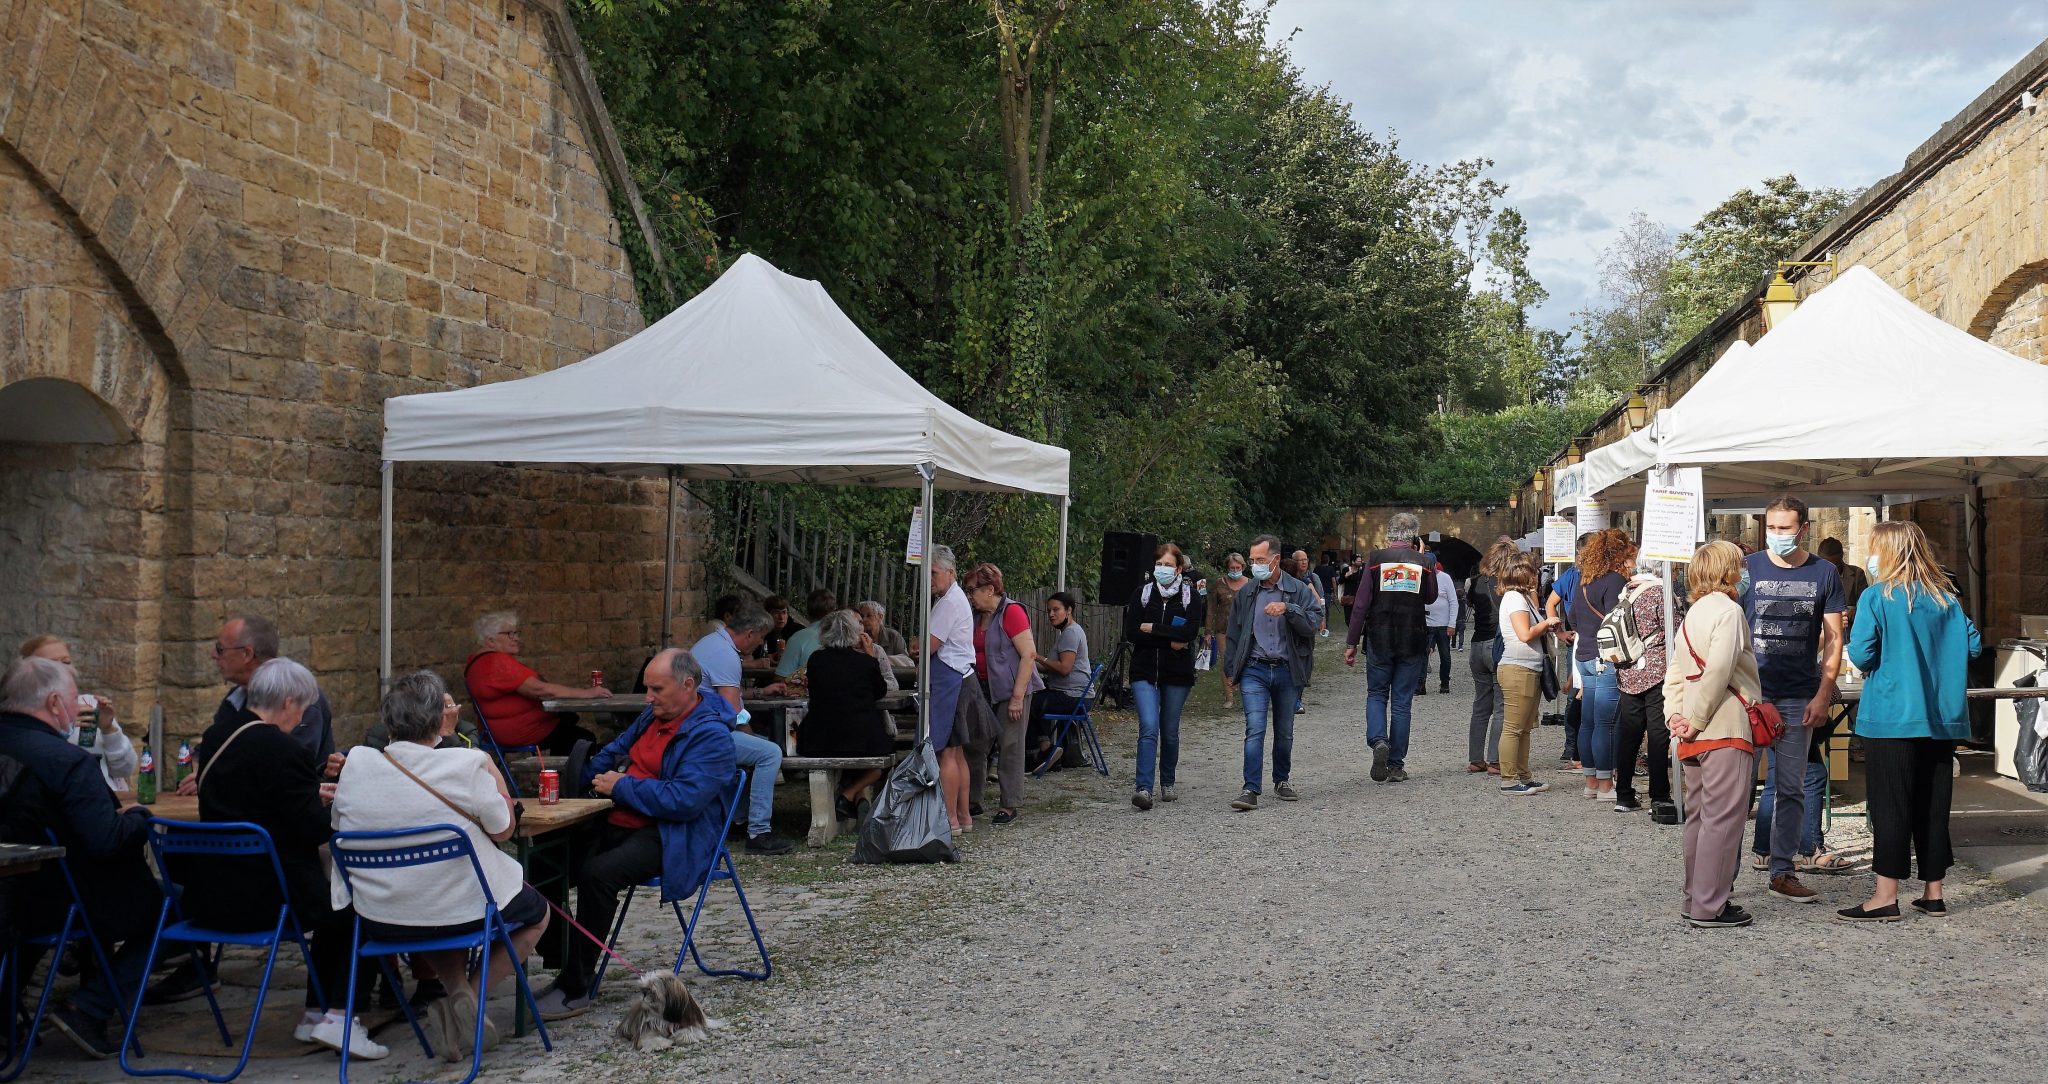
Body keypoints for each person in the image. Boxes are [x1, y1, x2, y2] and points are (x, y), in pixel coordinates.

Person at [331, 670, 550, 1059]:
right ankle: (470, 1000)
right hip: (456, 907)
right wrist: (488, 767)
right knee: (537, 914)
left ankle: (458, 994)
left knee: (428, 907)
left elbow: (338, 826)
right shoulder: (465, 764)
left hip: (381, 914)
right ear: (439, 721)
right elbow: (503, 830)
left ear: (387, 722)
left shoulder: (356, 765)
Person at [181, 657, 384, 1058]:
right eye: (304, 708)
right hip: (270, 899)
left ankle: (314, 1015)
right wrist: (329, 802)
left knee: (333, 907)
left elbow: (252, 801)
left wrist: (308, 795)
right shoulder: (282, 749)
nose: (304, 717)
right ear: (288, 702)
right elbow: (312, 829)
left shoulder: (217, 735)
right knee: (356, 907)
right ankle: (339, 1018)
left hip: (208, 895)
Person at [534, 649, 738, 1018]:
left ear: (688, 685)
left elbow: (685, 801)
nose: (648, 697)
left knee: (598, 875)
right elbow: (615, 750)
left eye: (657, 688)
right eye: (647, 688)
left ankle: (576, 984)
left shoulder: (711, 737)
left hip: (672, 833)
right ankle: (562, 956)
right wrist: (597, 777)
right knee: (543, 860)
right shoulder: (653, 714)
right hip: (619, 816)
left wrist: (622, 785)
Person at [0, 656, 160, 1058]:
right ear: (55, 703)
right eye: (74, 699)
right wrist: (139, 818)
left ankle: (6, 1013)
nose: (77, 708)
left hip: (17, 892)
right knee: (173, 904)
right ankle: (89, 1009)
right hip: (60, 895)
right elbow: (105, 839)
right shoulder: (66, 760)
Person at [1837, 521, 1983, 922]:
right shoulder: (1946, 598)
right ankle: (1933, 892)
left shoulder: (1877, 597)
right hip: (1942, 717)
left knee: (1891, 804)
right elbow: (1972, 645)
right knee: (1934, 804)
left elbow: (1863, 655)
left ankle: (1885, 895)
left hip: (1892, 716)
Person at [1741, 496, 1846, 905]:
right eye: (1771, 527)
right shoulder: (1747, 569)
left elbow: (1835, 639)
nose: (1777, 535)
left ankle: (1782, 870)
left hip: (1798, 695)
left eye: (1785, 528)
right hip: (1750, 696)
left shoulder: (1825, 573)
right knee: (1737, 789)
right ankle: (1724, 873)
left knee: (1792, 789)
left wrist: (1823, 694)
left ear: (1804, 528)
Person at [1667, 540, 1763, 928]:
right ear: (1730, 571)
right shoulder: (1730, 611)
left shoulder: (1692, 614)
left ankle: (1696, 897)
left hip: (1692, 729)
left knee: (1699, 817)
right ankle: (1711, 905)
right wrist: (1698, 718)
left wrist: (1676, 716)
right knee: (1724, 820)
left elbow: (1675, 672)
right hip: (1723, 725)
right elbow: (1720, 670)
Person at [181, 615, 335, 798]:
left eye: (220, 649)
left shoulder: (301, 699)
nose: (213, 655)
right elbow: (213, 750)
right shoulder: (234, 699)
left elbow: (289, 766)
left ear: (247, 654)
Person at [1223, 534, 1322, 810]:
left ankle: (1282, 780)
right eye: (1252, 560)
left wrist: (1289, 609)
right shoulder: (1247, 592)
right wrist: (1231, 669)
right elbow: (1234, 633)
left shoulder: (1299, 589)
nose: (1254, 565)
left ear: (1275, 560)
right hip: (1254, 668)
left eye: (1259, 560)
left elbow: (1312, 624)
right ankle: (1250, 788)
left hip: (1287, 670)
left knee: (1285, 730)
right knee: (1255, 728)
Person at [688, 605, 796, 855]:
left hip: (697, 725)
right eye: (760, 638)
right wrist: (748, 733)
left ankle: (737, 819)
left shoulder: (711, 643)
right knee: (769, 752)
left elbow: (722, 692)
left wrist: (759, 692)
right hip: (708, 732)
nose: (759, 644)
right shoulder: (726, 655)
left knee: (757, 747)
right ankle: (759, 832)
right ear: (749, 633)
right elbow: (733, 712)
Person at [1344, 512, 1438, 783]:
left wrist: (1351, 642)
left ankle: (1378, 741)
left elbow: (1361, 604)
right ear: (1414, 536)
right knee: (1401, 703)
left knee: (1376, 694)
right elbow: (1430, 597)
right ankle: (1396, 765)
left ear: (1389, 533)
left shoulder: (1375, 560)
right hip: (1412, 637)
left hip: (1380, 636)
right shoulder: (1423, 561)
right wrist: (1425, 560)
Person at [1124, 543, 1204, 810]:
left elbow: (1190, 633)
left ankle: (1167, 780)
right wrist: (1168, 639)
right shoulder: (1142, 594)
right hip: (1144, 671)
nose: (1163, 569)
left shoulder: (1190, 596)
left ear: (1179, 568)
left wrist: (1154, 629)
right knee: (1149, 726)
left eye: (1168, 565)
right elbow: (1133, 633)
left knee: (1169, 731)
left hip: (1176, 675)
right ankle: (1143, 788)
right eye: (1159, 564)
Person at [461, 610, 604, 757]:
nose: (516, 638)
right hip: (521, 732)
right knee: (581, 738)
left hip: (495, 732)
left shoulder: (477, 662)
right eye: (510, 634)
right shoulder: (496, 662)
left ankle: (560, 774)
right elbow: (540, 690)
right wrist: (587, 693)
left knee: (568, 721)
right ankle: (568, 777)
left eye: (516, 633)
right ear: (491, 640)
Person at [963, 563, 1043, 826]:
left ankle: (1009, 803)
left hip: (1011, 688)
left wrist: (1018, 697)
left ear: (990, 589)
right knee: (975, 743)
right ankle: (972, 800)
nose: (969, 595)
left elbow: (1028, 655)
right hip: (981, 687)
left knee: (1010, 745)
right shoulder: (974, 615)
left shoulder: (1012, 612)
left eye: (972, 589)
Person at [797, 610, 894, 819]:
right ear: (854, 634)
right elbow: (880, 691)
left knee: (855, 756)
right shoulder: (864, 662)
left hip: (819, 737)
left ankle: (853, 797)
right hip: (861, 737)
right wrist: (870, 657)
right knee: (880, 763)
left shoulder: (816, 660)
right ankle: (849, 794)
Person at [18, 635, 136, 792]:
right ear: (30, 671)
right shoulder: (21, 715)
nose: (63, 669)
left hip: (105, 803)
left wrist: (109, 730)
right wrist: (63, 729)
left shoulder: (91, 704)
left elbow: (124, 770)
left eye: (66, 662)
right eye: (52, 664)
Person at [1568, 529, 1634, 802]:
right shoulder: (1615, 580)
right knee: (1606, 723)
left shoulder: (1584, 580)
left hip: (1583, 656)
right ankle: (1606, 785)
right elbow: (1615, 620)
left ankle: (1591, 782)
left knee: (1588, 722)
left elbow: (1571, 618)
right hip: (1604, 658)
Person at [1612, 557, 1679, 819]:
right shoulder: (1659, 593)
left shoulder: (1627, 591)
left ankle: (1624, 794)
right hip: (1656, 669)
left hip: (1629, 670)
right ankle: (1659, 794)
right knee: (1658, 733)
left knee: (1630, 733)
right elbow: (1675, 628)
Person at [1495, 554, 1559, 795]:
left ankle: (1523, 774)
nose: (1536, 574)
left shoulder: (1522, 598)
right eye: (1532, 571)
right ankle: (1509, 779)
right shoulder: (1514, 599)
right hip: (1518, 667)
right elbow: (1525, 634)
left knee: (1524, 727)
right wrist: (1546, 623)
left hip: (1528, 667)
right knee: (1514, 727)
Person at [924, 545, 978, 832]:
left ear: (950, 572)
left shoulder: (948, 603)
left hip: (952, 679)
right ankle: (963, 817)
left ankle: (950, 820)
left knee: (946, 751)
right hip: (961, 676)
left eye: (933, 573)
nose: (929, 578)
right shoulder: (953, 597)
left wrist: (916, 645)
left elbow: (929, 646)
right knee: (956, 753)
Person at [1464, 541, 1513, 775]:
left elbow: (1472, 605)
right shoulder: (1509, 586)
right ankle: (1495, 759)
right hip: (1498, 646)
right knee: (1501, 705)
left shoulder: (1475, 582)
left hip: (1476, 646)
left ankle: (1475, 759)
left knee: (1481, 705)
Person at [1546, 536, 1591, 771]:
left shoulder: (1574, 574)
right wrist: (1560, 632)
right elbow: (1550, 603)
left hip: (1581, 639)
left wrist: (1560, 630)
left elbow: (1550, 603)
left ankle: (1574, 747)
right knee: (1577, 694)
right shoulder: (1573, 575)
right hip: (1581, 640)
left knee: (1577, 694)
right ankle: (1573, 746)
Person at [1032, 591, 1092, 770]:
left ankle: (1045, 753)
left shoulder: (1071, 633)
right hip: (1073, 695)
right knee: (1034, 698)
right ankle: (1050, 754)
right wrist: (1030, 663)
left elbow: (1064, 668)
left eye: (1056, 609)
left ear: (1069, 611)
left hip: (1074, 697)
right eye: (1049, 610)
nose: (1051, 614)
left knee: (1028, 703)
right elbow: (1051, 666)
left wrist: (1038, 657)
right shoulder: (1068, 632)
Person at [1208, 553, 1249, 708]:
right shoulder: (1219, 584)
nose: (1235, 570)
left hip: (1244, 629)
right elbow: (1211, 609)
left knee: (1245, 660)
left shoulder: (1250, 584)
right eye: (1232, 567)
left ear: (1243, 567)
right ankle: (1229, 697)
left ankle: (1246, 694)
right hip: (1223, 629)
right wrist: (1207, 631)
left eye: (1237, 567)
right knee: (1227, 661)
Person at [774, 588, 839, 678]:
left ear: (807, 612)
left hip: (807, 691)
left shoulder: (798, 638)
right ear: (834, 612)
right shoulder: (844, 637)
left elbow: (781, 678)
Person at [1424, 561, 1457, 696]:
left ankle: (1444, 682)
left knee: (1445, 656)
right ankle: (1420, 684)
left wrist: (1452, 624)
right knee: (1423, 654)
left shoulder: (1445, 578)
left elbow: (1453, 601)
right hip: (1426, 624)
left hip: (1443, 625)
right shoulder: (1421, 577)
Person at [855, 601, 912, 666]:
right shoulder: (857, 638)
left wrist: (880, 658)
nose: (864, 619)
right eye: (862, 616)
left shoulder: (893, 636)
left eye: (869, 615)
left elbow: (908, 662)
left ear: (880, 617)